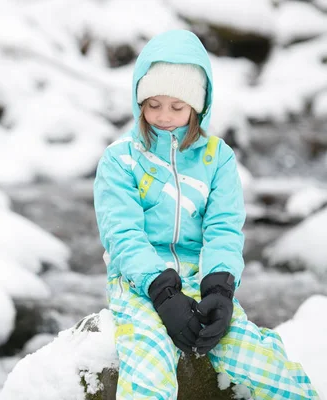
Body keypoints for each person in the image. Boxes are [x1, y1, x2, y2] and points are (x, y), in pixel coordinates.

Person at [93, 29, 319, 399]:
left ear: (198, 105)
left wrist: (220, 289)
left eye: (177, 106)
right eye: (153, 104)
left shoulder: (218, 158)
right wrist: (162, 292)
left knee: (261, 363)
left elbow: (224, 228)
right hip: (139, 283)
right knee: (150, 369)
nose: (164, 116)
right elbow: (122, 234)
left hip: (201, 274)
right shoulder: (121, 160)